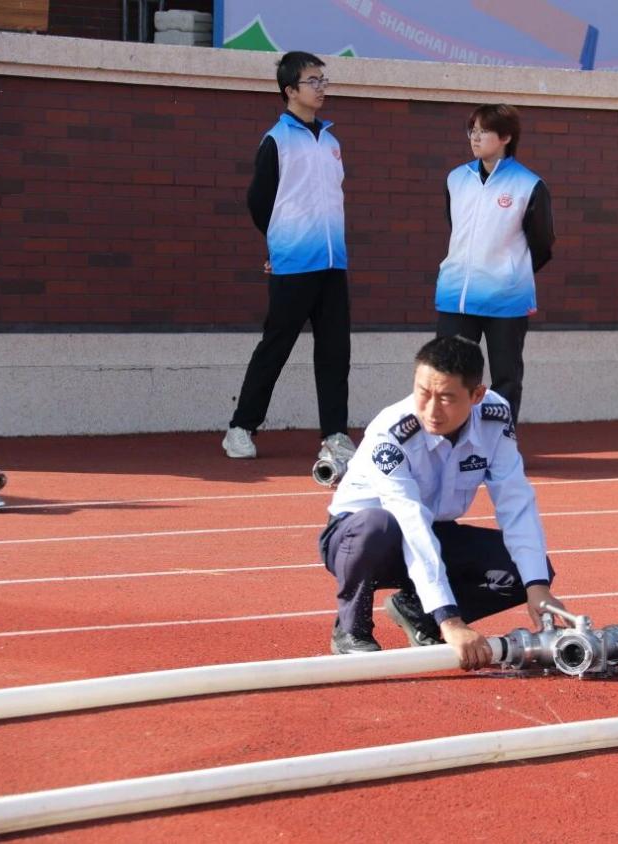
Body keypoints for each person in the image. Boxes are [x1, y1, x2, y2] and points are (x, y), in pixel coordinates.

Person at [320, 335, 567, 669]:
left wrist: (537, 587)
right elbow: (409, 522)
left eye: (447, 398)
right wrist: (450, 619)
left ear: (477, 395)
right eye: (423, 393)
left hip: (435, 530)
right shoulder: (391, 432)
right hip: (362, 539)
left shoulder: (494, 417)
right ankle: (352, 628)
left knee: (525, 569)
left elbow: (515, 501)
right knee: (378, 525)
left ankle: (418, 613)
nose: (432, 410)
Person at [223, 51, 355, 468]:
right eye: (312, 81)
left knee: (335, 352)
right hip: (294, 265)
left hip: (333, 265)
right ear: (290, 90)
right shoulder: (276, 141)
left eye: (323, 80)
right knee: (276, 346)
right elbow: (259, 201)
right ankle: (241, 427)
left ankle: (335, 435)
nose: (321, 87)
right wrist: (278, 246)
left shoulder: (331, 142)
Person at [434, 103, 555, 426]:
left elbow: (542, 244)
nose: (475, 137)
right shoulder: (456, 179)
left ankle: (500, 441)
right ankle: (451, 440)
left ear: (505, 137)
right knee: (449, 373)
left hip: (507, 301)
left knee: (506, 378)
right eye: (472, 130)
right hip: (456, 297)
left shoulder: (529, 185)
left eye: (484, 131)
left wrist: (511, 273)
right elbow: (458, 229)